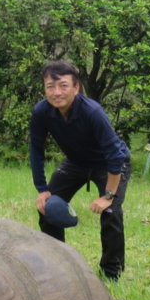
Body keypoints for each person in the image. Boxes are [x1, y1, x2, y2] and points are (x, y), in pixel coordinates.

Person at [29, 60, 132, 281]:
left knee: (111, 211)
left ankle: (111, 273)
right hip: (77, 162)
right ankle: (56, 264)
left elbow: (115, 155)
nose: (57, 92)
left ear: (76, 87)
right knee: (48, 206)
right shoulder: (41, 112)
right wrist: (42, 189)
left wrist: (108, 196)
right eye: (50, 86)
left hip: (109, 163)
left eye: (63, 86)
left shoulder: (92, 112)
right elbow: (36, 150)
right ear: (44, 88)